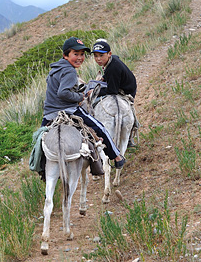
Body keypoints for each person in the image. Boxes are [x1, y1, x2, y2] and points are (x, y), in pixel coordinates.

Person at [41, 36, 125, 174]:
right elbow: (63, 93)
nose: (80, 58)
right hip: (68, 110)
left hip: (49, 113)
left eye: (82, 54)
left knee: (41, 138)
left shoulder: (55, 69)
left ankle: (42, 168)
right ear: (65, 55)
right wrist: (80, 97)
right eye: (75, 54)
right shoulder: (69, 70)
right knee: (99, 127)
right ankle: (116, 156)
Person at [91, 39, 140, 147]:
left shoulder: (113, 68)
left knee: (126, 108)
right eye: (95, 56)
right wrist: (104, 78)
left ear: (109, 54)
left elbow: (112, 91)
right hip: (124, 84)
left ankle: (129, 135)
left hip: (126, 90)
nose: (98, 59)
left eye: (101, 55)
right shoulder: (113, 60)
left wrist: (95, 91)